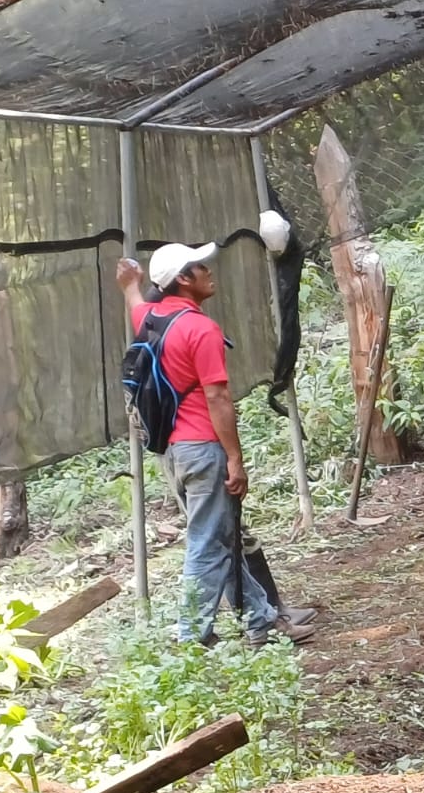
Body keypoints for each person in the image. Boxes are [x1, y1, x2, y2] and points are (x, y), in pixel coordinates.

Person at [116, 244, 315, 648]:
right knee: (207, 545)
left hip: (173, 451)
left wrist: (129, 286)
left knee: (221, 537)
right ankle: (191, 638)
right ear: (183, 280)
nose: (209, 271)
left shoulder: (152, 318)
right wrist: (235, 459)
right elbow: (218, 398)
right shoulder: (200, 329)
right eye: (199, 266)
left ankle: (261, 621)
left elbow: (137, 305)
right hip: (204, 448)